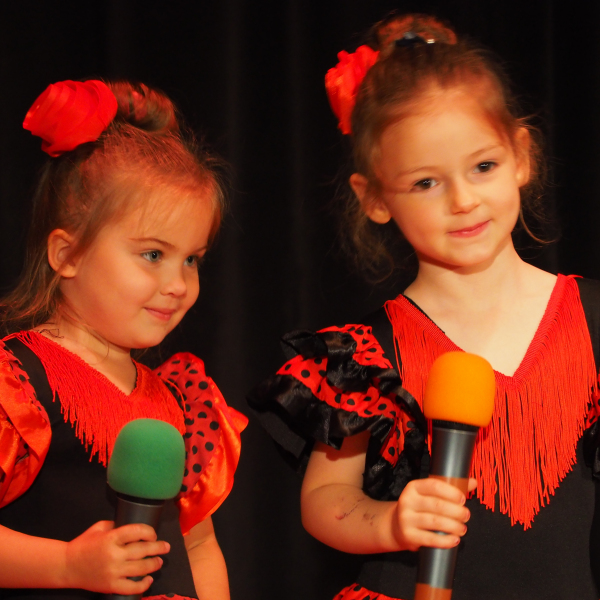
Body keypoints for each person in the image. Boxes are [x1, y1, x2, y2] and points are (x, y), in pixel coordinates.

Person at [248, 13, 600, 600]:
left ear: (521, 155)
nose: (463, 200)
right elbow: (325, 499)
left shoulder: (592, 318)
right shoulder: (366, 357)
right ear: (374, 197)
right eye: (426, 183)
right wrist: (389, 521)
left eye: (483, 167)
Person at [0, 79, 247, 600]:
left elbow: (199, 545)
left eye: (192, 259)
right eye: (153, 255)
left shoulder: (181, 400)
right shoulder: (17, 387)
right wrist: (67, 564)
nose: (178, 284)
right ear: (67, 254)